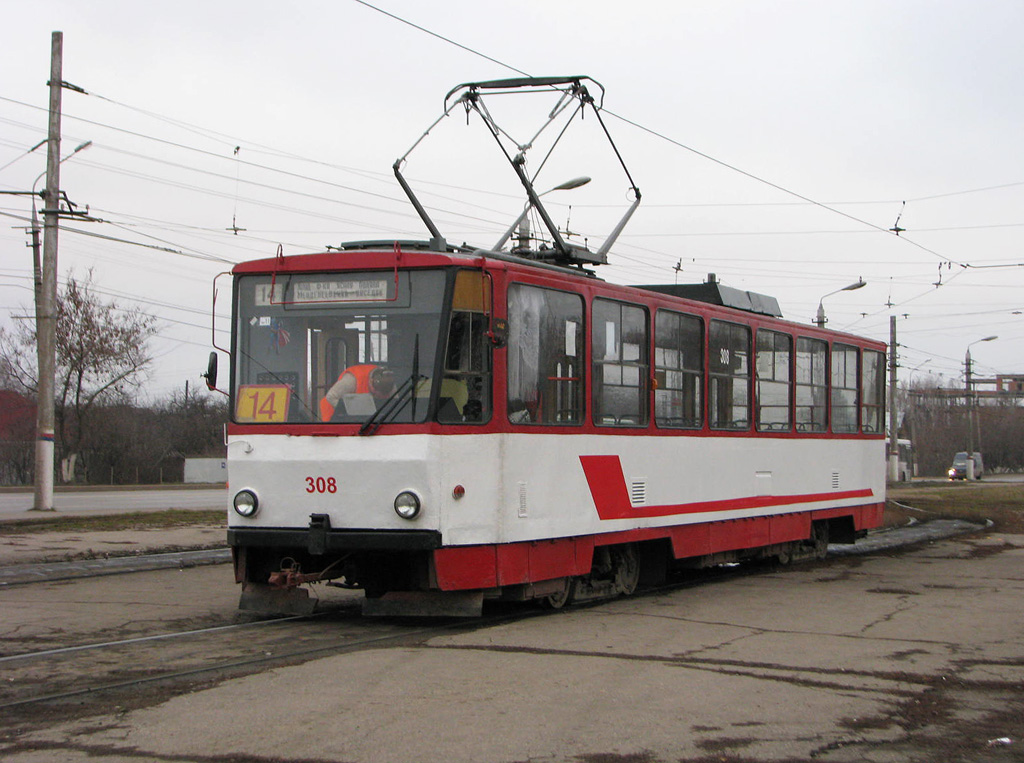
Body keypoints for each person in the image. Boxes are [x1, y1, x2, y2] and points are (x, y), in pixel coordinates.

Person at [320, 364, 396, 421]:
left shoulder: (389, 384)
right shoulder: (351, 381)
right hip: (334, 415)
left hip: (366, 421)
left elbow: (395, 404)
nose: (377, 396)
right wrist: (349, 412)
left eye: (382, 395)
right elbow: (330, 396)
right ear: (371, 381)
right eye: (375, 392)